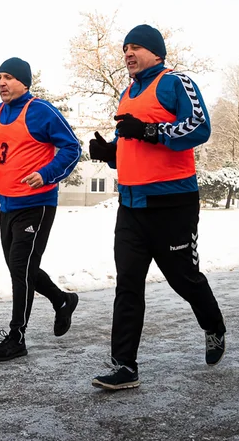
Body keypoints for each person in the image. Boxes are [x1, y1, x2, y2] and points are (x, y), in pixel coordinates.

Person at [87, 25, 226, 390]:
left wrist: (147, 131)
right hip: (131, 205)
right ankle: (124, 366)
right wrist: (109, 153)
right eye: (125, 48)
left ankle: (213, 326)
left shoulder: (175, 82)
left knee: (184, 279)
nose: (128, 54)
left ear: (156, 51)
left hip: (172, 205)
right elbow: (130, 143)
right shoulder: (128, 92)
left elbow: (199, 127)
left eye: (135, 47)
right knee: (128, 284)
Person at [0, 57, 82, 360]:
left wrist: (47, 173)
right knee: (19, 268)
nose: (2, 83)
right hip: (7, 203)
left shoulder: (41, 111)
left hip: (37, 204)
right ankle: (62, 300)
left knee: (21, 268)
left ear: (24, 81)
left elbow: (72, 147)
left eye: (8, 77)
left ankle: (17, 337)